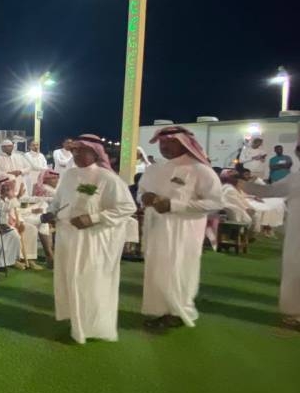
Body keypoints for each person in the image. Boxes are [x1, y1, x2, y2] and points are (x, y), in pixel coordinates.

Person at [44, 135, 136, 344]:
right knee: (70, 279)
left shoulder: (107, 178)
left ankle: (93, 326)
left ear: (95, 152)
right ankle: (76, 322)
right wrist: (51, 212)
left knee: (90, 282)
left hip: (93, 240)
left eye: (81, 150)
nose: (76, 154)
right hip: (67, 237)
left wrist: (93, 218)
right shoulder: (69, 175)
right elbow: (58, 201)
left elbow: (127, 207)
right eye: (74, 150)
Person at [138, 125, 222, 330]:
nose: (165, 147)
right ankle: (159, 310)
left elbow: (215, 203)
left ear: (185, 143)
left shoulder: (200, 170)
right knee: (156, 270)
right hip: (156, 229)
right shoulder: (154, 169)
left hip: (184, 231)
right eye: (162, 143)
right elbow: (141, 193)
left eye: (171, 142)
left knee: (179, 270)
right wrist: (144, 198)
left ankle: (179, 311)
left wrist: (174, 205)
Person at [243, 130, 300, 329]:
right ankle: (295, 314)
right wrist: (242, 184)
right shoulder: (295, 178)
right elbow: (269, 191)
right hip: (297, 234)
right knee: (295, 270)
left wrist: (241, 184)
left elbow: (268, 191)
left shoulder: (294, 178)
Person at [0, 176, 25, 270]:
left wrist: (11, 197)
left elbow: (6, 209)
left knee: (14, 235)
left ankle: (5, 262)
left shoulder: (1, 198)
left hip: (1, 227)